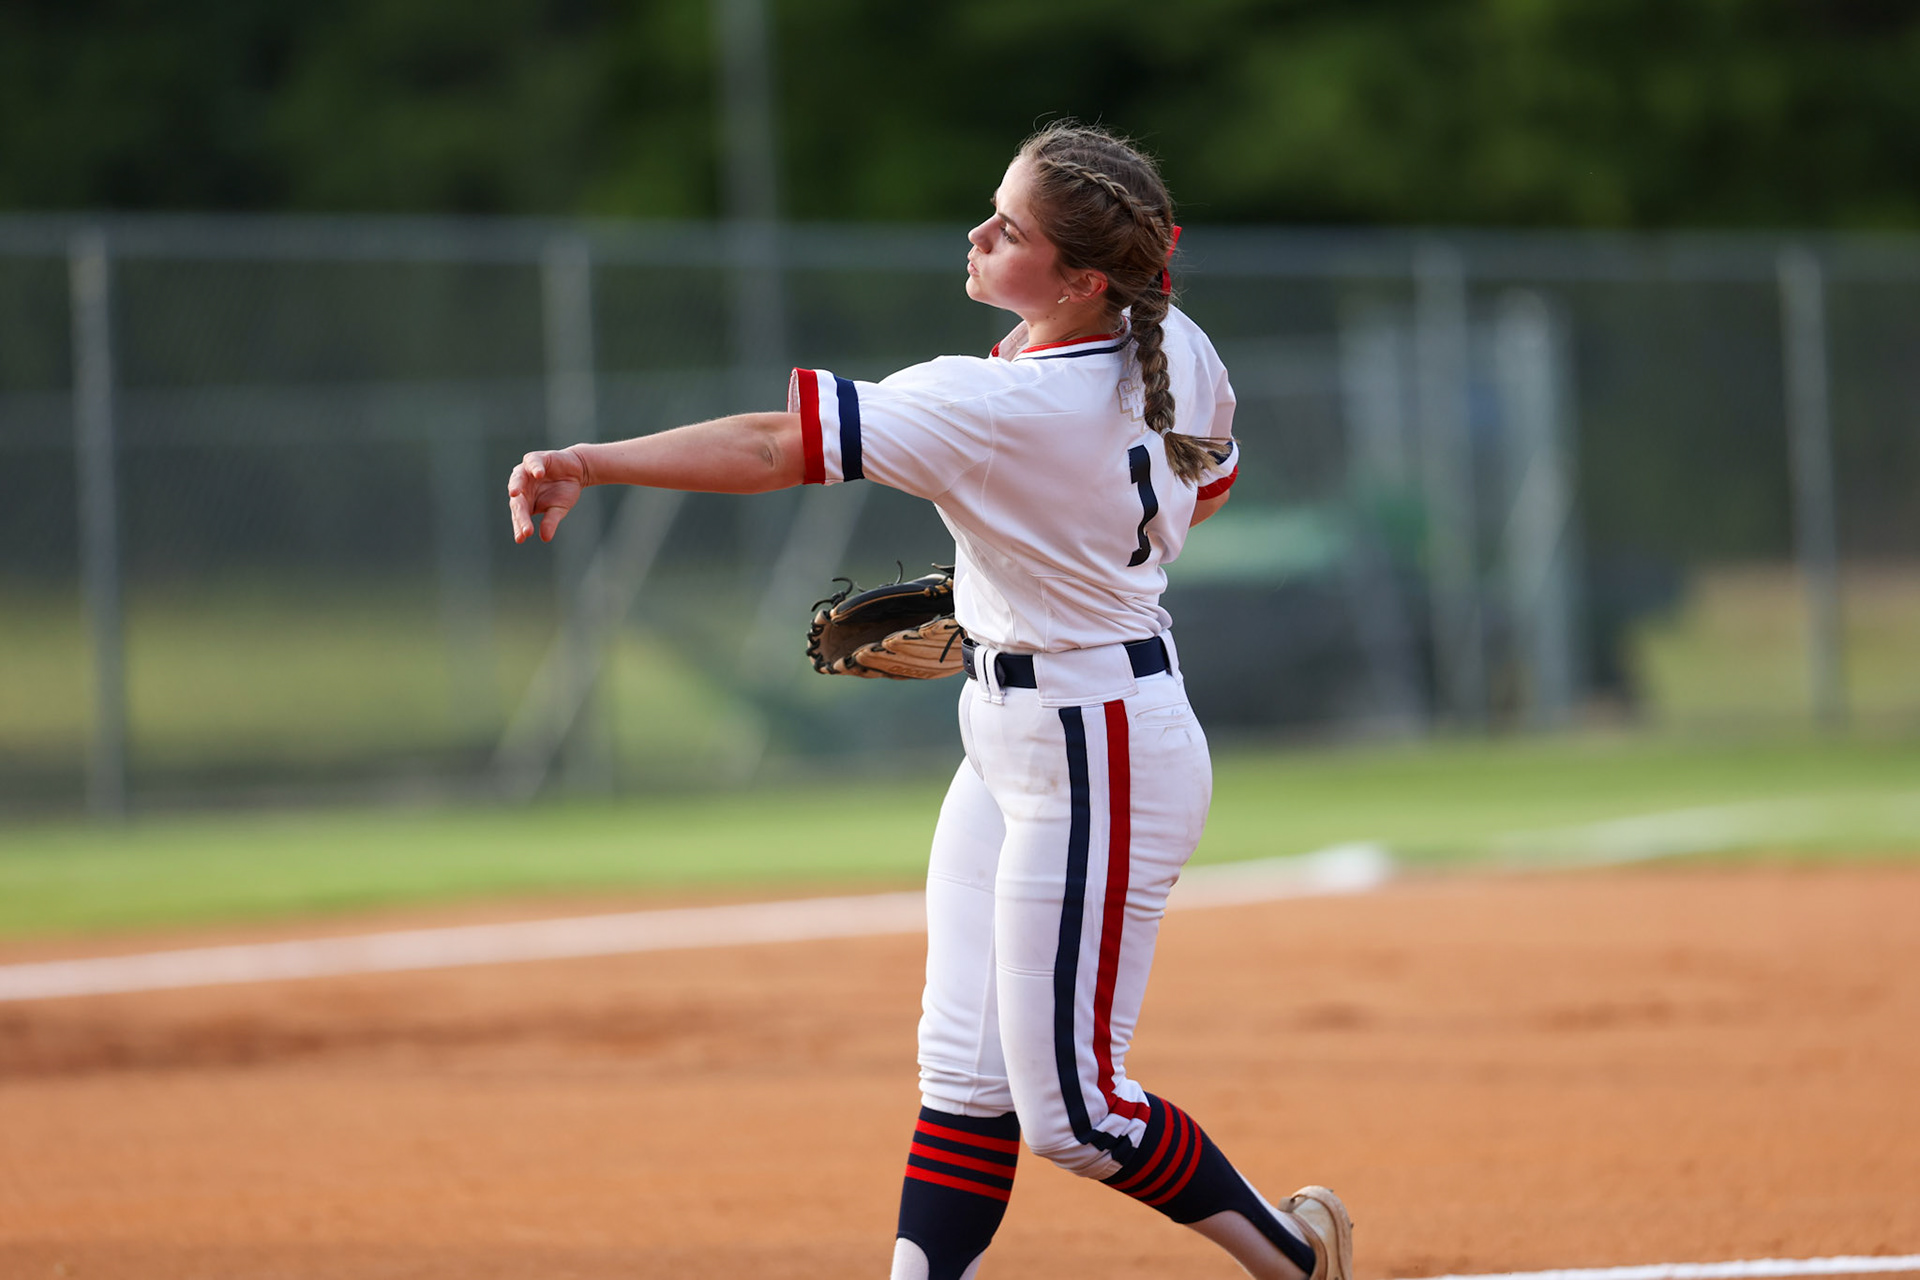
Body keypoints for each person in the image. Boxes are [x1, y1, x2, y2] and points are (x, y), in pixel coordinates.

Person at [507, 122, 1352, 1280]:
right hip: (1018, 729)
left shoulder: (988, 403)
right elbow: (1205, 490)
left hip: (1098, 743)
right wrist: (1042, 575)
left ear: (1082, 279)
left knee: (1077, 1113)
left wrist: (589, 461)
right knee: (963, 1073)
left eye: (1008, 227)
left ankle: (1301, 1256)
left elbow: (769, 444)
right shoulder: (1175, 344)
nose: (978, 231)